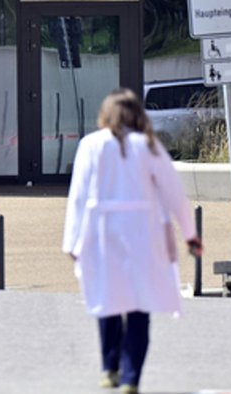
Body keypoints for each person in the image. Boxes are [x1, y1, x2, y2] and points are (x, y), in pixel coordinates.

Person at [62, 88, 203, 394]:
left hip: (102, 230)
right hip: (143, 230)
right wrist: (191, 235)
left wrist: (72, 241)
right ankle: (131, 377)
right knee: (139, 303)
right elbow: (175, 196)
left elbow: (78, 196)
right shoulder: (149, 147)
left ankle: (109, 367)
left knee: (108, 296)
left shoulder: (90, 145)